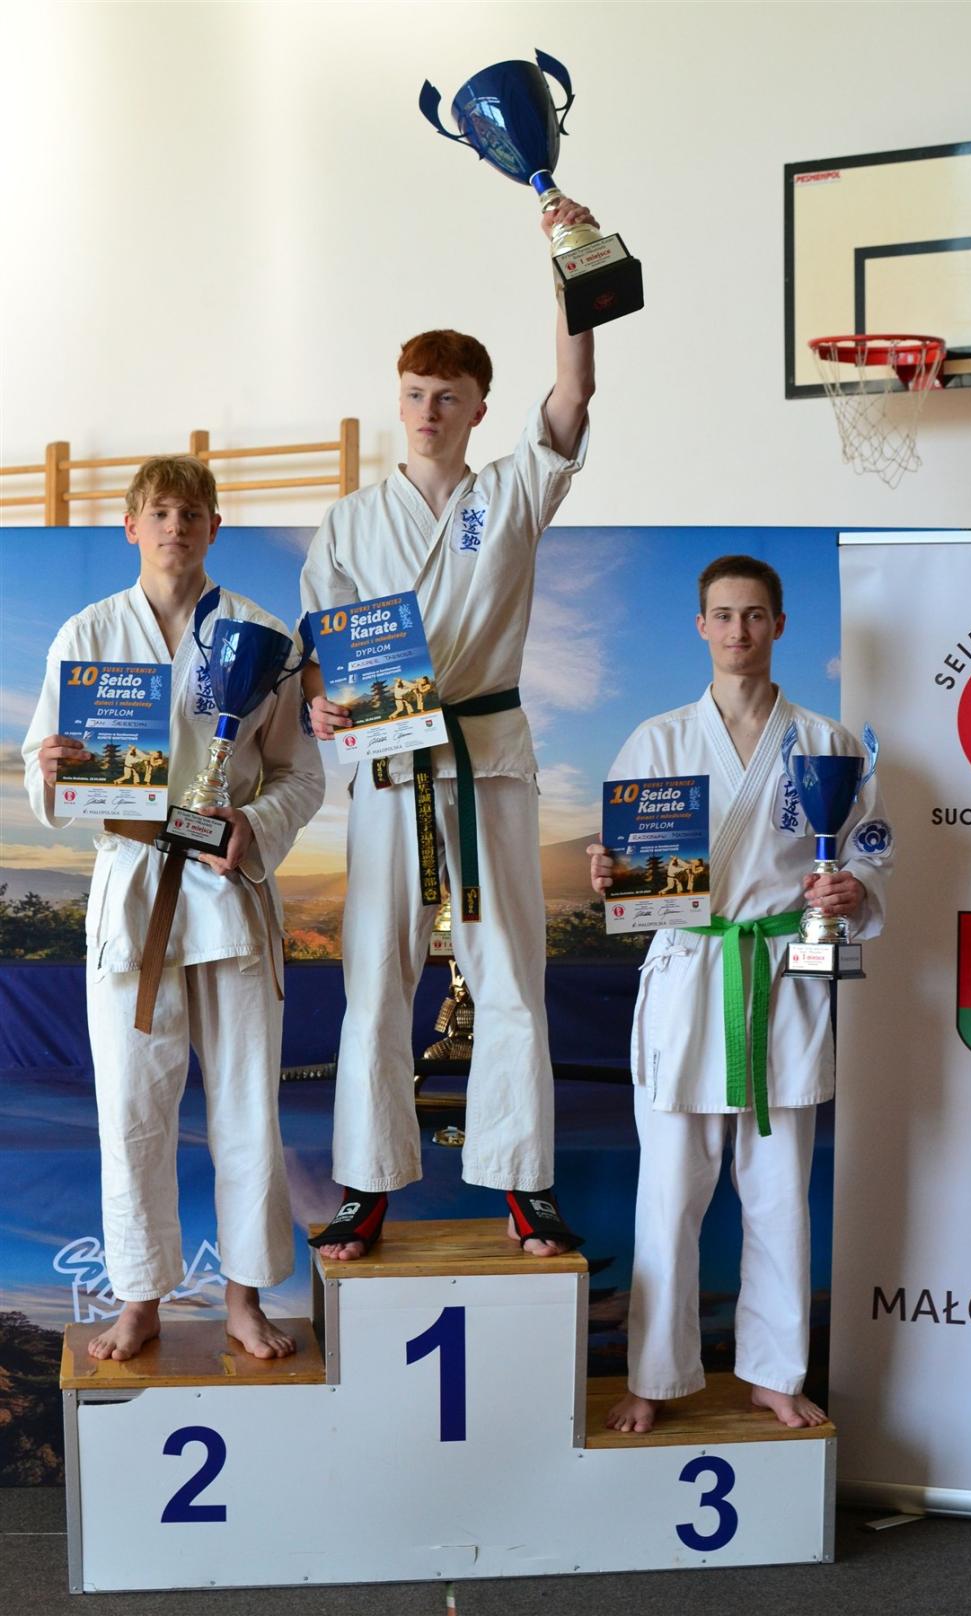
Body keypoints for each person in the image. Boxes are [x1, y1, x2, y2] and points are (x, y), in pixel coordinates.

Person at [300, 197, 598, 1261]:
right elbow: (323, 650)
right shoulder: (350, 520)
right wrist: (322, 702)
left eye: (449, 398)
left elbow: (574, 391)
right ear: (401, 400)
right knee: (376, 977)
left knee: (510, 969)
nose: (428, 412)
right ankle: (365, 1186)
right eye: (415, 395)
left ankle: (525, 1183)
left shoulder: (509, 495)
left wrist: (570, 264)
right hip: (388, 768)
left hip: (486, 764)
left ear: (479, 410)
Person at [23, 456, 324, 1361]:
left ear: (214, 528)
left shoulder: (264, 636)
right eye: (159, 513)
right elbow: (45, 763)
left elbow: (299, 775)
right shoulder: (87, 633)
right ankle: (139, 1299)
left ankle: (244, 1298)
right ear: (131, 527)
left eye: (192, 514)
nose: (175, 528)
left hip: (228, 890)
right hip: (134, 892)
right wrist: (51, 769)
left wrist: (254, 824)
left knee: (246, 1107)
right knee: (133, 1109)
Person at [588, 555, 894, 1432]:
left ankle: (774, 1371)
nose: (738, 631)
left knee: (778, 1194)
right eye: (722, 616)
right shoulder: (657, 741)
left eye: (754, 615)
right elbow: (625, 863)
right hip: (691, 975)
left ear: (779, 625)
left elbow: (871, 847)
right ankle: (653, 1374)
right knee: (669, 1193)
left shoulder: (829, 743)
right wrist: (609, 872)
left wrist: (856, 889)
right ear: (701, 627)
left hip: (782, 973)